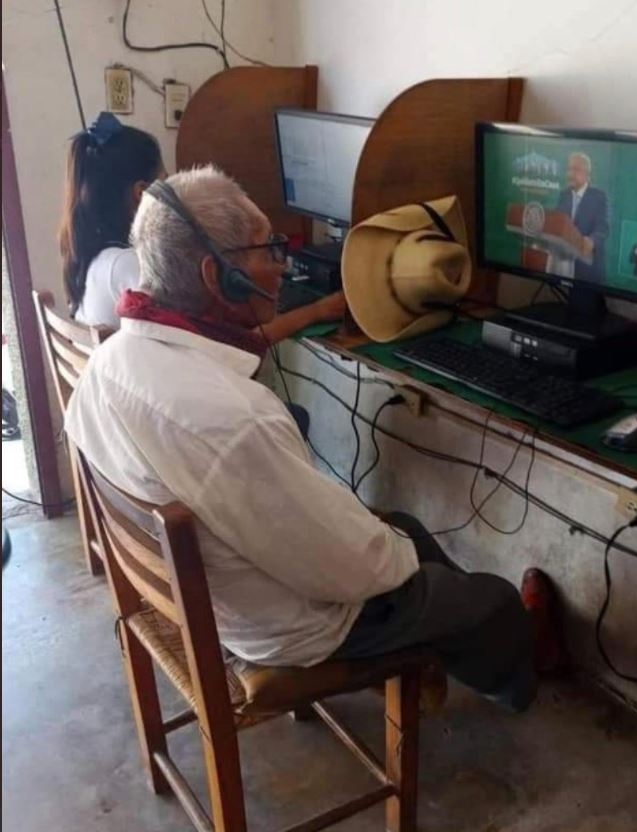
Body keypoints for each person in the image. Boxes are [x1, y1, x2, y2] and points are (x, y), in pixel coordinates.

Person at [65, 166, 565, 710]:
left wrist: (390, 542)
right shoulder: (235, 421)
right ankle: (519, 666)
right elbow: (353, 569)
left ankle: (452, 635)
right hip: (285, 628)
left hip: (210, 596)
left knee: (408, 531)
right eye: (269, 251)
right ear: (219, 276)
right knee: (479, 599)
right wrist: (400, 561)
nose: (281, 267)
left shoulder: (108, 360)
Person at [59, 112, 345, 336]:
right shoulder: (131, 266)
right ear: (142, 194)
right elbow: (224, 342)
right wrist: (317, 311)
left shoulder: (94, 256)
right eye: (166, 182)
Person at [553, 152, 609, 283]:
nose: (570, 174)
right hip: (564, 264)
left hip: (587, 269)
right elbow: (557, 223)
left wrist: (592, 240)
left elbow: (603, 228)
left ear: (587, 174)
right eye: (569, 169)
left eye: (576, 169)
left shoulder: (599, 196)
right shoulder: (564, 195)